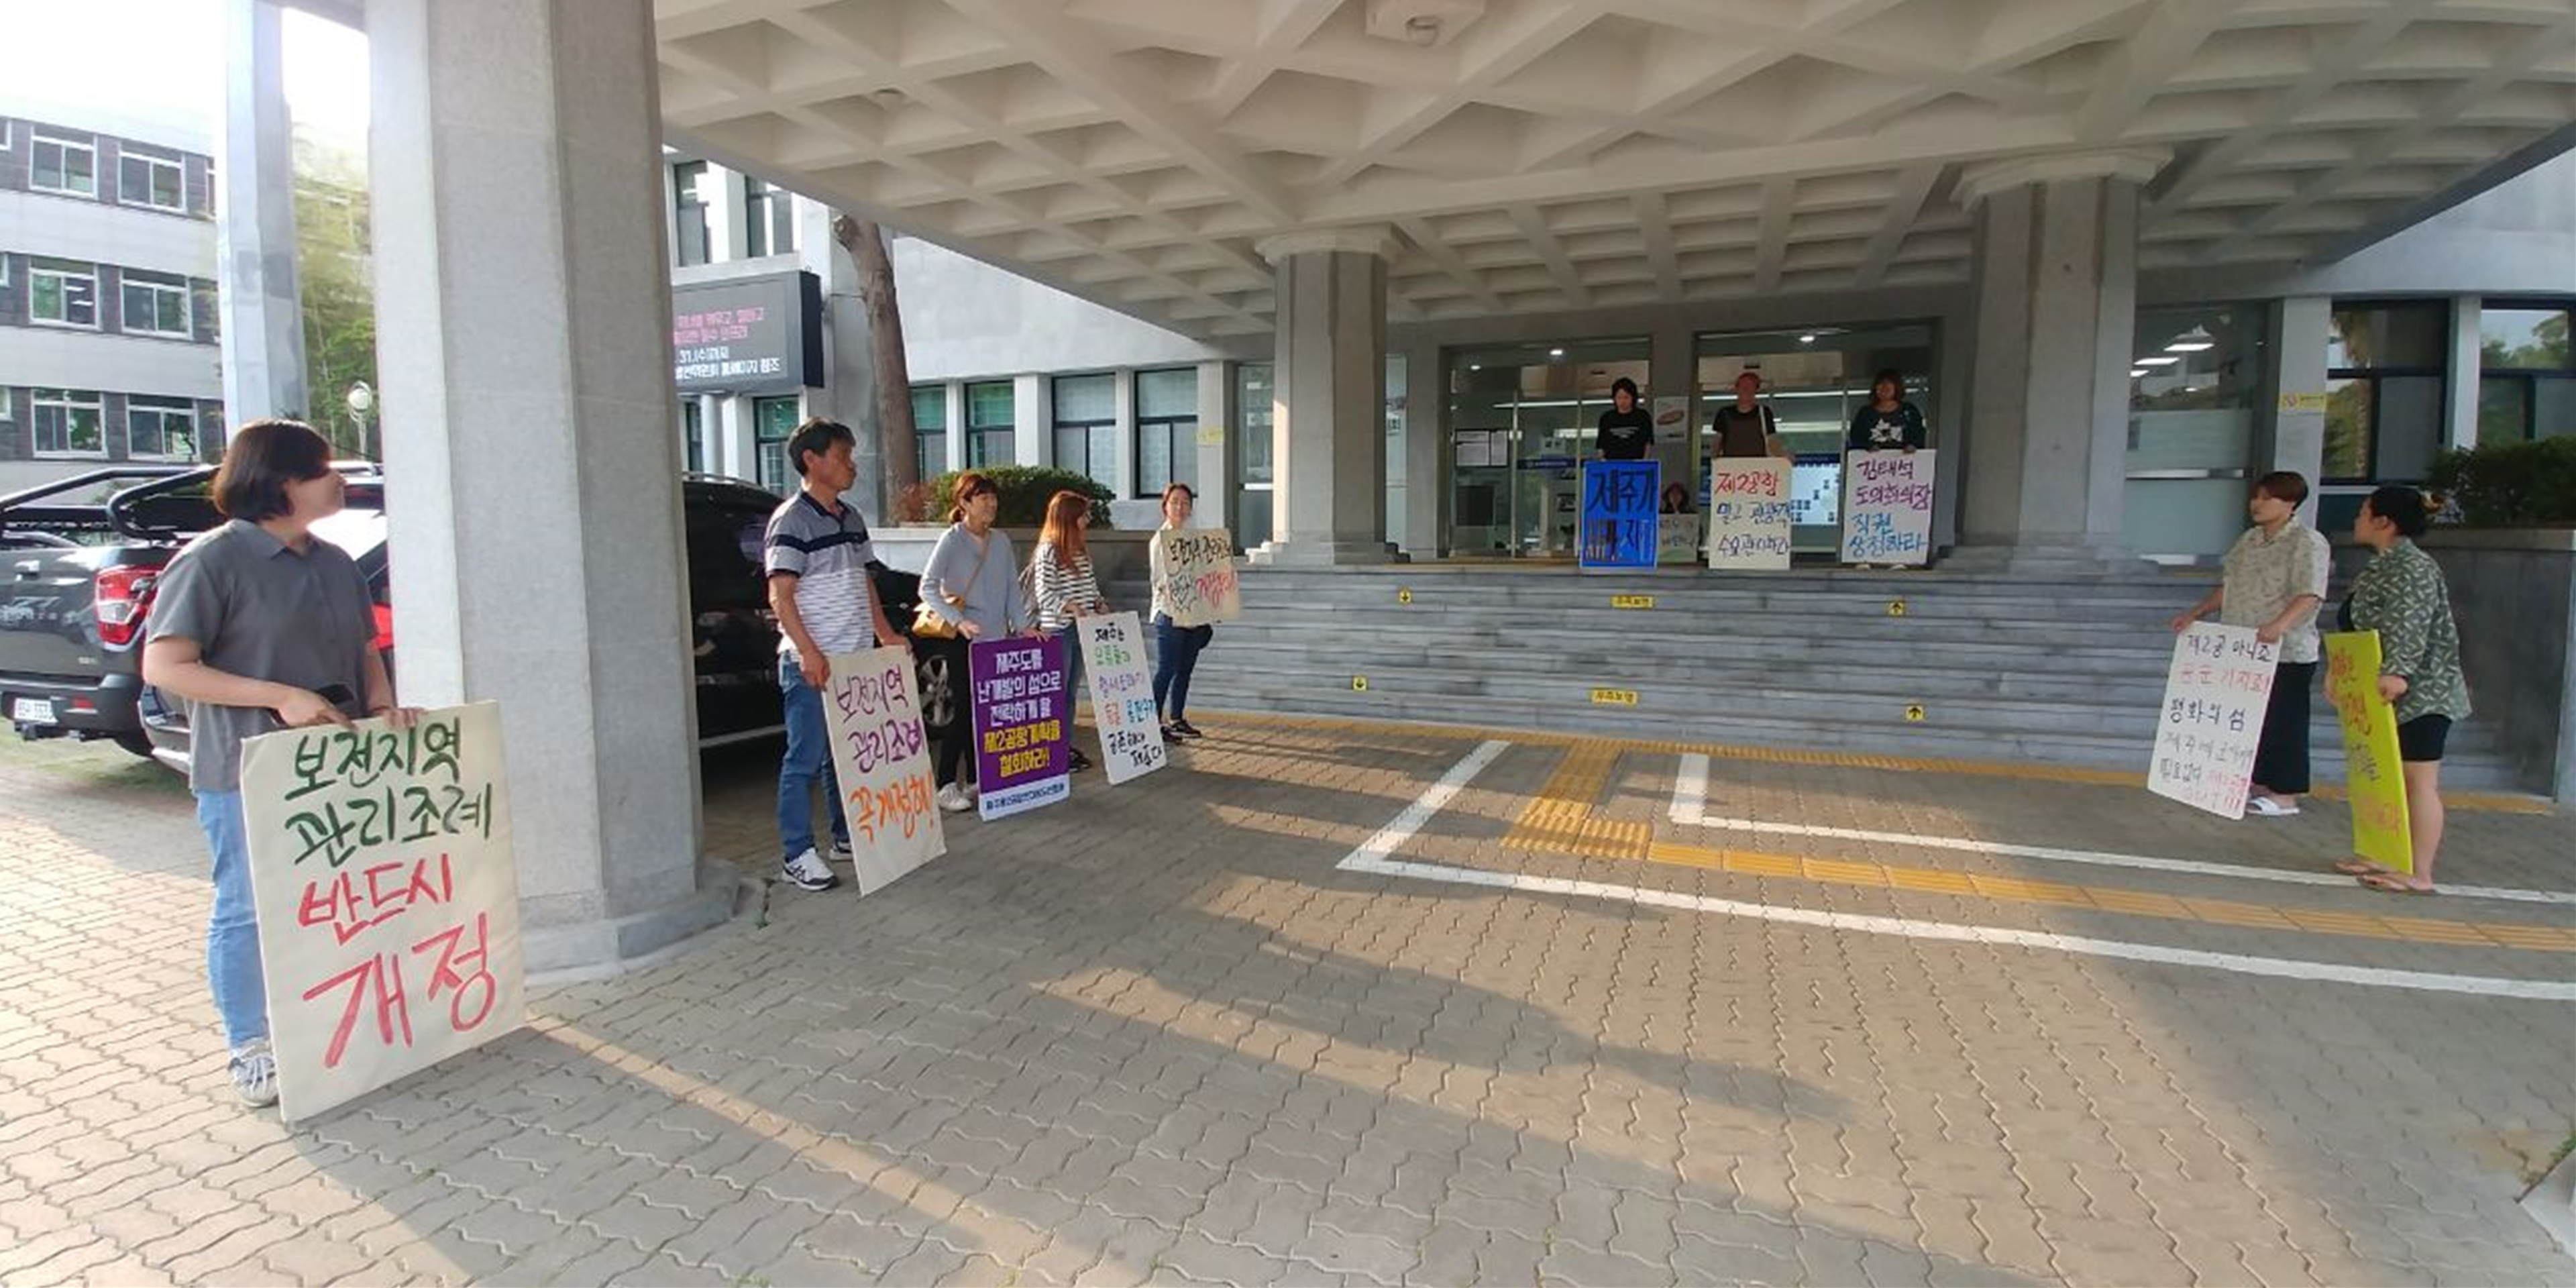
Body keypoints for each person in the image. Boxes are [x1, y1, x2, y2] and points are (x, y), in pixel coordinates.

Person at [140, 419, 421, 1108]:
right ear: (281, 482)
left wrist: (383, 706)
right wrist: (279, 697)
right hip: (247, 772)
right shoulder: (211, 562)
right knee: (246, 907)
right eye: (323, 469)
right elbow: (166, 666)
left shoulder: (335, 561)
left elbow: (364, 651)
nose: (338, 480)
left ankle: (329, 1022)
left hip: (337, 771)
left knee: (337, 898)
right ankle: (250, 1044)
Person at [763, 419, 906, 892]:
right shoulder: (791, 519)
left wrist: (885, 634)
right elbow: (780, 596)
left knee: (843, 755)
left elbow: (865, 581)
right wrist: (808, 652)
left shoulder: (851, 517)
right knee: (804, 758)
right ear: (812, 459)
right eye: (843, 456)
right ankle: (797, 854)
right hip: (812, 662)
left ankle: (846, 837)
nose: (852, 465)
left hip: (854, 659)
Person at [2333, 485, 2470, 896]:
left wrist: (2398, 673)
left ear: (2383, 521)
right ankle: (2382, 852)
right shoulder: (2382, 564)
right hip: (2377, 689)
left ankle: (2419, 872)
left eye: (2363, 512)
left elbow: (2410, 624)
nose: (2356, 519)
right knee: (2381, 776)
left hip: (2422, 694)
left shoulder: (2412, 567)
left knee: (2417, 779)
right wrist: (2340, 674)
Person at [2170, 471, 2330, 816]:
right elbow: (2230, 586)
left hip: (2285, 651)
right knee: (2249, 720)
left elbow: (2311, 593)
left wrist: (2280, 625)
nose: (2257, 504)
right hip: (2243, 648)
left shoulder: (2307, 541)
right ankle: (2258, 783)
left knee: (2284, 721)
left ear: (2290, 503)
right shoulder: (2249, 540)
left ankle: (2285, 794)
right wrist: (2196, 613)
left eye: (2268, 498)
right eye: (2256, 496)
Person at [920, 472, 1034, 812]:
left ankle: (974, 778)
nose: (991, 504)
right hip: (963, 638)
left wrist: (1022, 626)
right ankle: (944, 784)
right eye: (983, 498)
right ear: (964, 503)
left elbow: (1012, 587)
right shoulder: (952, 540)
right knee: (963, 710)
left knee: (985, 711)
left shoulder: (1001, 541)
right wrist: (959, 621)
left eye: (993, 498)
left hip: (995, 639)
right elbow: (927, 587)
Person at [1031, 489, 1108, 774]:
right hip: (1059, 631)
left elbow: (1090, 586)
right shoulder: (1049, 550)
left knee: (1071, 692)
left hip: (1081, 628)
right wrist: (1069, 606)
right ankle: (1051, 751)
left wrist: (1098, 603)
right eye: (1083, 515)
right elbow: (1044, 592)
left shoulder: (1080, 551)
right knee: (1057, 692)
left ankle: (1064, 746)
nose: (1087, 520)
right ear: (1069, 517)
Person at [1148, 482, 1213, 742]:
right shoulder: (1160, 540)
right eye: (1175, 502)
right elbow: (1161, 582)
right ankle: (1153, 722)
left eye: (1185, 502)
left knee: (1185, 669)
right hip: (1170, 614)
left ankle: (1177, 718)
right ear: (1165, 506)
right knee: (1167, 669)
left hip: (1194, 614)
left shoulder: (1193, 539)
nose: (1180, 507)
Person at [1709, 371, 1789, 460]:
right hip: (1731, 465)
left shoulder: (1764, 413)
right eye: (1743, 386)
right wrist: (1714, 461)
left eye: (1751, 386)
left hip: (1758, 465)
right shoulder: (1724, 413)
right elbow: (1717, 441)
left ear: (1756, 390)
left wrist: (1783, 456)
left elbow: (1772, 440)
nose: (1746, 389)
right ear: (1736, 388)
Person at [1847, 368, 1928, 451]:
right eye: (1880, 384)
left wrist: (1912, 446)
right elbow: (1856, 439)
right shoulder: (1865, 413)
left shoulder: (1909, 411)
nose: (1884, 387)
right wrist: (1868, 447)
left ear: (1897, 387)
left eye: (1889, 383)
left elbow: (1919, 436)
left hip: (1903, 459)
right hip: (1872, 459)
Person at [1595, 377, 1654, 462]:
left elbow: (1648, 442)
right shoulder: (1607, 418)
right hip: (1612, 463)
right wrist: (1602, 461)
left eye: (1626, 397)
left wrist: (1645, 461)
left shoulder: (1642, 417)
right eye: (1619, 398)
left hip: (1636, 463)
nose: (1623, 401)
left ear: (1633, 398)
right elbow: (1601, 444)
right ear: (1614, 398)